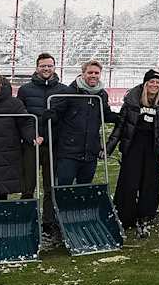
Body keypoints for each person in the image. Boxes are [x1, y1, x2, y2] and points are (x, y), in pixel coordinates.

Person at [106, 69, 159, 238]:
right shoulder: (132, 100)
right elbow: (121, 126)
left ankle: (146, 215)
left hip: (154, 149)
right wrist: (108, 148)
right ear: (145, 84)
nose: (154, 85)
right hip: (133, 146)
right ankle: (125, 216)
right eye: (151, 82)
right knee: (129, 182)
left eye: (157, 83)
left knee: (150, 184)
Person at [16, 52, 72, 247]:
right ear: (37, 67)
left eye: (49, 66)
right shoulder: (25, 90)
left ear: (54, 67)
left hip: (53, 145)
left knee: (50, 186)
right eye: (42, 66)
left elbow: (66, 119)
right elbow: (21, 118)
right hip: (31, 145)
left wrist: (53, 125)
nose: (46, 69)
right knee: (28, 185)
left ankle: (48, 223)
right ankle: (26, 220)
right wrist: (31, 136)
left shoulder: (63, 90)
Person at [49, 60, 118, 189]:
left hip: (90, 152)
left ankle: (80, 210)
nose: (93, 75)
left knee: (84, 189)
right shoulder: (69, 92)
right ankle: (61, 209)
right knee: (63, 189)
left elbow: (105, 114)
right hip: (69, 152)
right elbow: (56, 113)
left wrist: (120, 117)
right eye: (90, 72)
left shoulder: (102, 94)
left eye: (96, 73)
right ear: (83, 73)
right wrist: (50, 114)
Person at [0, 70, 40, 201]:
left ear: (0, 84)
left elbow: (26, 122)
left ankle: (2, 220)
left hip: (5, 153)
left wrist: (32, 136)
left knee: (1, 191)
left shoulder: (14, 103)